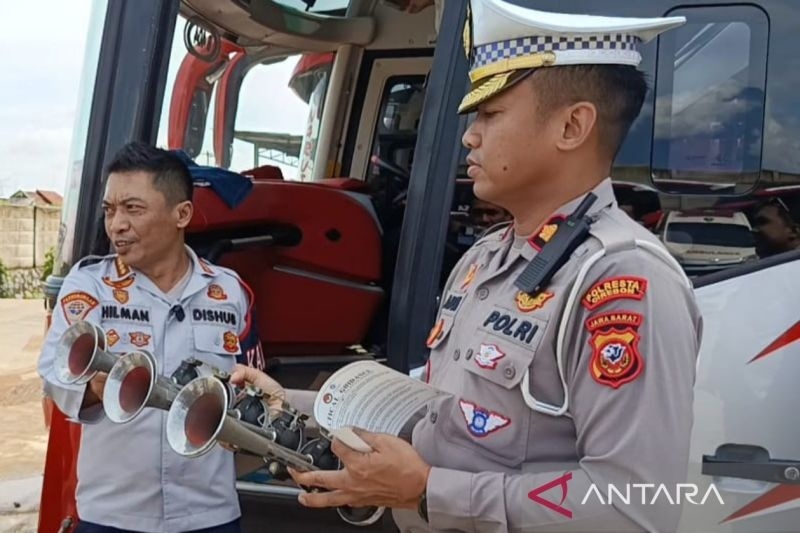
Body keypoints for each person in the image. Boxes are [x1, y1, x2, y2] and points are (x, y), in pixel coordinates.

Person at [232, 0, 703, 531]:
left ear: (573, 126)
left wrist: (430, 490)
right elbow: (447, 412)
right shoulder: (486, 259)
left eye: (491, 113)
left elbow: (635, 506)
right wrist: (297, 403)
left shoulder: (625, 281)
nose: (469, 136)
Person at [37, 142, 263, 533]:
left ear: (182, 214)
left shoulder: (230, 292)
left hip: (209, 512)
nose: (117, 224)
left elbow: (254, 388)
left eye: (133, 209)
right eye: (110, 210)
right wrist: (95, 387)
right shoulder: (89, 286)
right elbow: (53, 374)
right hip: (112, 514)